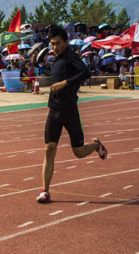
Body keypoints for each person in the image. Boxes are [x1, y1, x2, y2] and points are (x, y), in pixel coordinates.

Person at [36, 25, 107, 203]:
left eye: (58, 43)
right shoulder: (56, 58)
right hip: (54, 110)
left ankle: (97, 146)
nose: (54, 47)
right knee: (49, 149)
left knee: (79, 152)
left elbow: (86, 73)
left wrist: (64, 83)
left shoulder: (71, 56)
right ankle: (45, 191)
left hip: (69, 111)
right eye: (52, 44)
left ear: (66, 42)